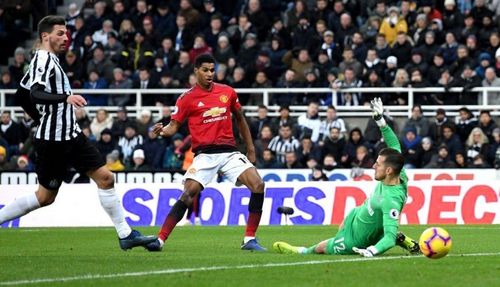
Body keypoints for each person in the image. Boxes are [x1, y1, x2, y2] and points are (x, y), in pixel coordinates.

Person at [0, 16, 156, 250]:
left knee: (106, 178)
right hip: (52, 141)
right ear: (45, 36)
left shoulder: (47, 59)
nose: (66, 37)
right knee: (45, 197)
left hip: (71, 135)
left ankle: (126, 235)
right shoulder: (44, 61)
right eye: (60, 33)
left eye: (66, 33)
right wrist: (64, 100)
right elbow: (34, 94)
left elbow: (20, 95)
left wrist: (40, 117)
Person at [146, 54, 266, 252]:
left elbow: (240, 119)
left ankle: (249, 239)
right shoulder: (187, 98)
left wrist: (251, 148)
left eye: (212, 70)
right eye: (205, 70)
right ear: (196, 71)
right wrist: (163, 131)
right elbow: (173, 126)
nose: (210, 74)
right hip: (204, 155)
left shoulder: (227, 92)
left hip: (229, 153)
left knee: (258, 185)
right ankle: (159, 240)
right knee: (187, 194)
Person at [273, 98, 420, 257]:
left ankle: (301, 251)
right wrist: (380, 120)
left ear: (389, 170)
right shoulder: (400, 172)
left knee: (321, 248)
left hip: (357, 240)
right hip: (356, 215)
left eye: (378, 164)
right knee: (342, 232)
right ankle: (405, 240)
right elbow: (394, 145)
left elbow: (389, 239)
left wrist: (371, 251)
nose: (373, 166)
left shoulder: (391, 200)